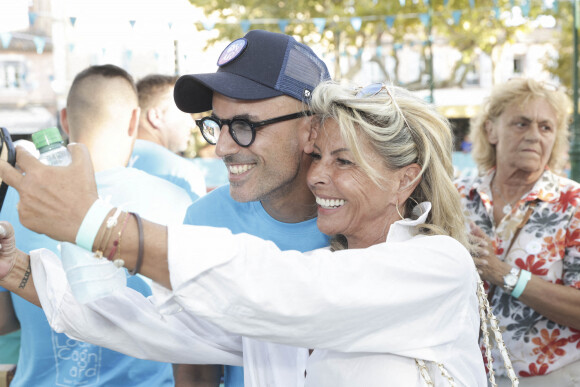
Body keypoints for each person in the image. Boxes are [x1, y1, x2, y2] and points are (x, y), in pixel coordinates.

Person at [0, 78, 502, 386]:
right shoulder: (316, 272)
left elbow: (285, 289)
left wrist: (98, 225)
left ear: (406, 177)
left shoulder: (438, 265)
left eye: (343, 161)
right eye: (318, 156)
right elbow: (154, 328)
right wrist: (17, 270)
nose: (319, 175)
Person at [0, 64, 193, 386]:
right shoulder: (178, 200)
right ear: (135, 120)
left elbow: (4, 320)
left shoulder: (15, 201)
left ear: (64, 119)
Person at [456, 77, 580, 385]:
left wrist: (504, 274)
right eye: (521, 124)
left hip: (551, 376)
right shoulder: (456, 196)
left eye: (546, 127)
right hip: (464, 371)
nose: (535, 136)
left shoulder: (573, 204)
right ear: (491, 130)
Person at [129, 74, 207, 200]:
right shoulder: (182, 173)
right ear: (155, 116)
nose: (192, 124)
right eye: (185, 112)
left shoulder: (107, 163)